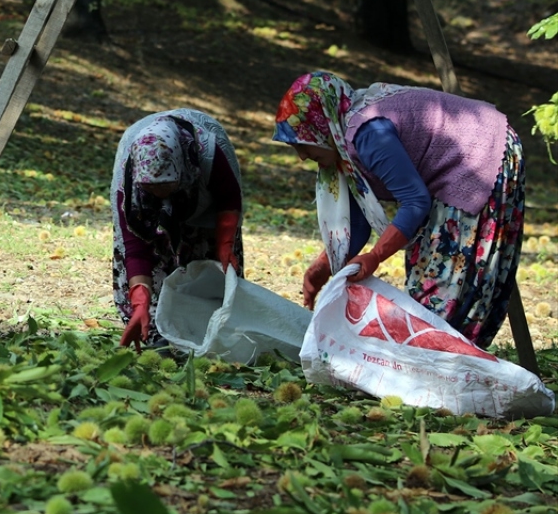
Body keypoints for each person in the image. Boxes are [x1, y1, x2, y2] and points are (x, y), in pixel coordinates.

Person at [273, 70, 525, 348]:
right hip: (454, 166)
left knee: (446, 283)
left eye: (303, 143)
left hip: (482, 152)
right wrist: (323, 266)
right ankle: (439, 358)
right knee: (429, 274)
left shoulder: (367, 132)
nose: (302, 156)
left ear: (324, 127)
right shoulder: (343, 143)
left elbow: (415, 202)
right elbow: (358, 221)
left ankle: (445, 360)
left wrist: (376, 256)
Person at [111, 109, 244, 350]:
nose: (162, 197)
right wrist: (140, 301)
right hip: (145, 200)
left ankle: (204, 330)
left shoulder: (209, 155)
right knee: (154, 279)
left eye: (166, 186)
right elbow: (135, 247)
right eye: (152, 190)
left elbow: (229, 200)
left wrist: (224, 245)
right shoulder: (128, 185)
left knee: (207, 270)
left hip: (202, 199)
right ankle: (153, 328)